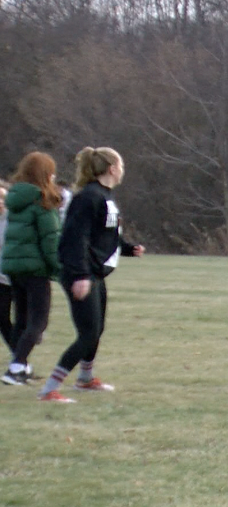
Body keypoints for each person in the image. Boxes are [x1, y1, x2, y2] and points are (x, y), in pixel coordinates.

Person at [36, 147, 145, 403]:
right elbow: (76, 238)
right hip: (81, 273)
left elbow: (105, 235)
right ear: (112, 168)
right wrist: (80, 275)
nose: (123, 170)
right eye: (121, 165)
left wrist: (128, 248)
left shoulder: (104, 196)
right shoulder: (88, 197)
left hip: (94, 272)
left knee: (96, 330)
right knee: (88, 334)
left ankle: (85, 379)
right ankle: (49, 389)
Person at [0, 152, 63, 387]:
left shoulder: (15, 200)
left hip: (13, 267)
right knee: (38, 321)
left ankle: (20, 366)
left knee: (22, 319)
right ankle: (16, 367)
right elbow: (50, 240)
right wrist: (58, 268)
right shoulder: (42, 202)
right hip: (35, 268)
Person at [0, 184, 15, 358]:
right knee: (3, 318)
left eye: (3, 198)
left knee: (25, 320)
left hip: (18, 275)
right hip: (1, 279)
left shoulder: (14, 219)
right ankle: (19, 358)